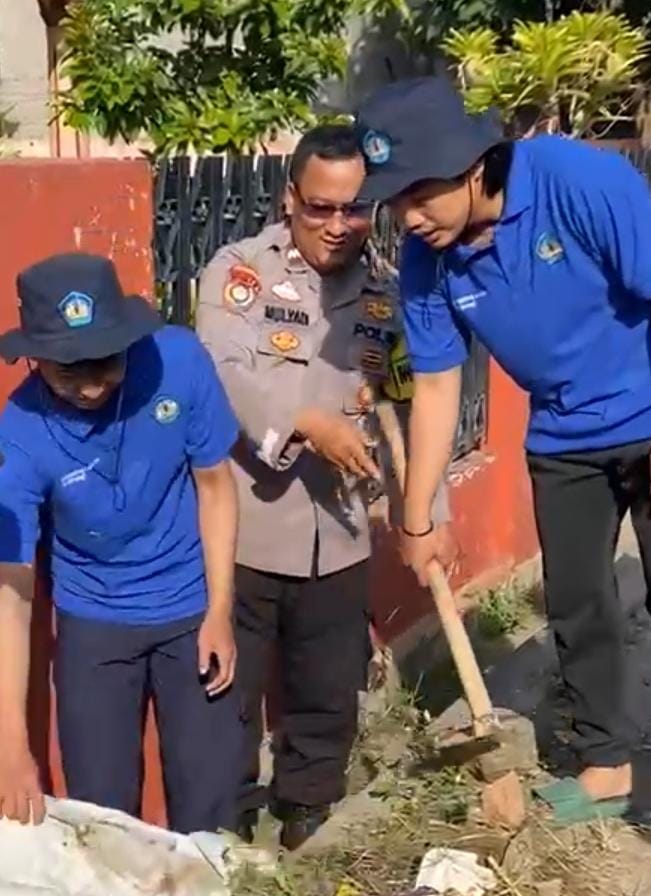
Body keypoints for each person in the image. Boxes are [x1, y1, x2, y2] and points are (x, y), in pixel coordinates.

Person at [355, 78, 651, 847]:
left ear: (471, 166)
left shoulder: (579, 181)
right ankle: (606, 765)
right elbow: (433, 385)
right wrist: (418, 513)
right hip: (564, 434)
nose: (408, 216)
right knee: (577, 598)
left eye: (419, 194)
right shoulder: (429, 261)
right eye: (395, 202)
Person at [196, 124, 452, 850]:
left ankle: (309, 815)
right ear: (290, 199)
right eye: (320, 208)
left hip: (339, 529)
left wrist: (430, 511)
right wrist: (305, 422)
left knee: (326, 688)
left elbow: (410, 406)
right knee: (230, 694)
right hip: (246, 522)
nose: (338, 226)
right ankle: (228, 820)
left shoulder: (384, 297)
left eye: (354, 209)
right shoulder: (237, 273)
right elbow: (223, 369)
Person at [0, 253, 242, 834]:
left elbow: (216, 484)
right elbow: (11, 589)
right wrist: (10, 745)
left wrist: (221, 610)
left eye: (106, 362)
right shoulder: (15, 440)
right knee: (101, 818)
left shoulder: (178, 361)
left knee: (212, 803)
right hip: (93, 627)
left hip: (191, 610)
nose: (94, 385)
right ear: (35, 356)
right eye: (69, 372)